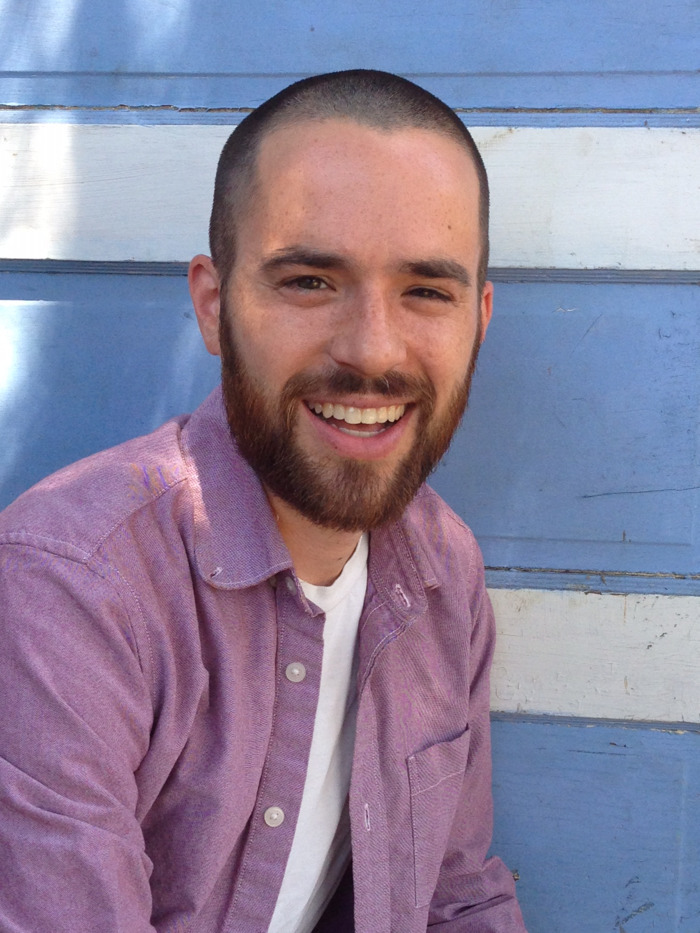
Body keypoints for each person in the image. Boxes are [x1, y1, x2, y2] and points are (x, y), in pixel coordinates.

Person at [0, 70, 526, 932]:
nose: (372, 350)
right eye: (310, 281)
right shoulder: (71, 590)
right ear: (214, 307)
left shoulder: (444, 570)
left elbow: (457, 898)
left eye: (427, 291)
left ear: (479, 317)